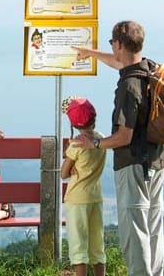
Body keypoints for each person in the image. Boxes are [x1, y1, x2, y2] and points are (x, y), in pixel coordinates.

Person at [72, 20, 164, 276]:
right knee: (153, 227)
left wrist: (94, 143)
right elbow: (119, 63)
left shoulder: (129, 86)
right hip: (158, 161)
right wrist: (91, 53)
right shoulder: (149, 69)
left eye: (111, 44)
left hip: (133, 164)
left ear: (118, 43)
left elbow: (123, 136)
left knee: (134, 231)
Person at [61, 96, 106, 276]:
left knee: (79, 244)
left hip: (77, 199)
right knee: (97, 244)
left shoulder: (76, 144)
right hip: (96, 197)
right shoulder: (101, 140)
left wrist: (70, 167)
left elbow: (64, 173)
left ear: (74, 123)